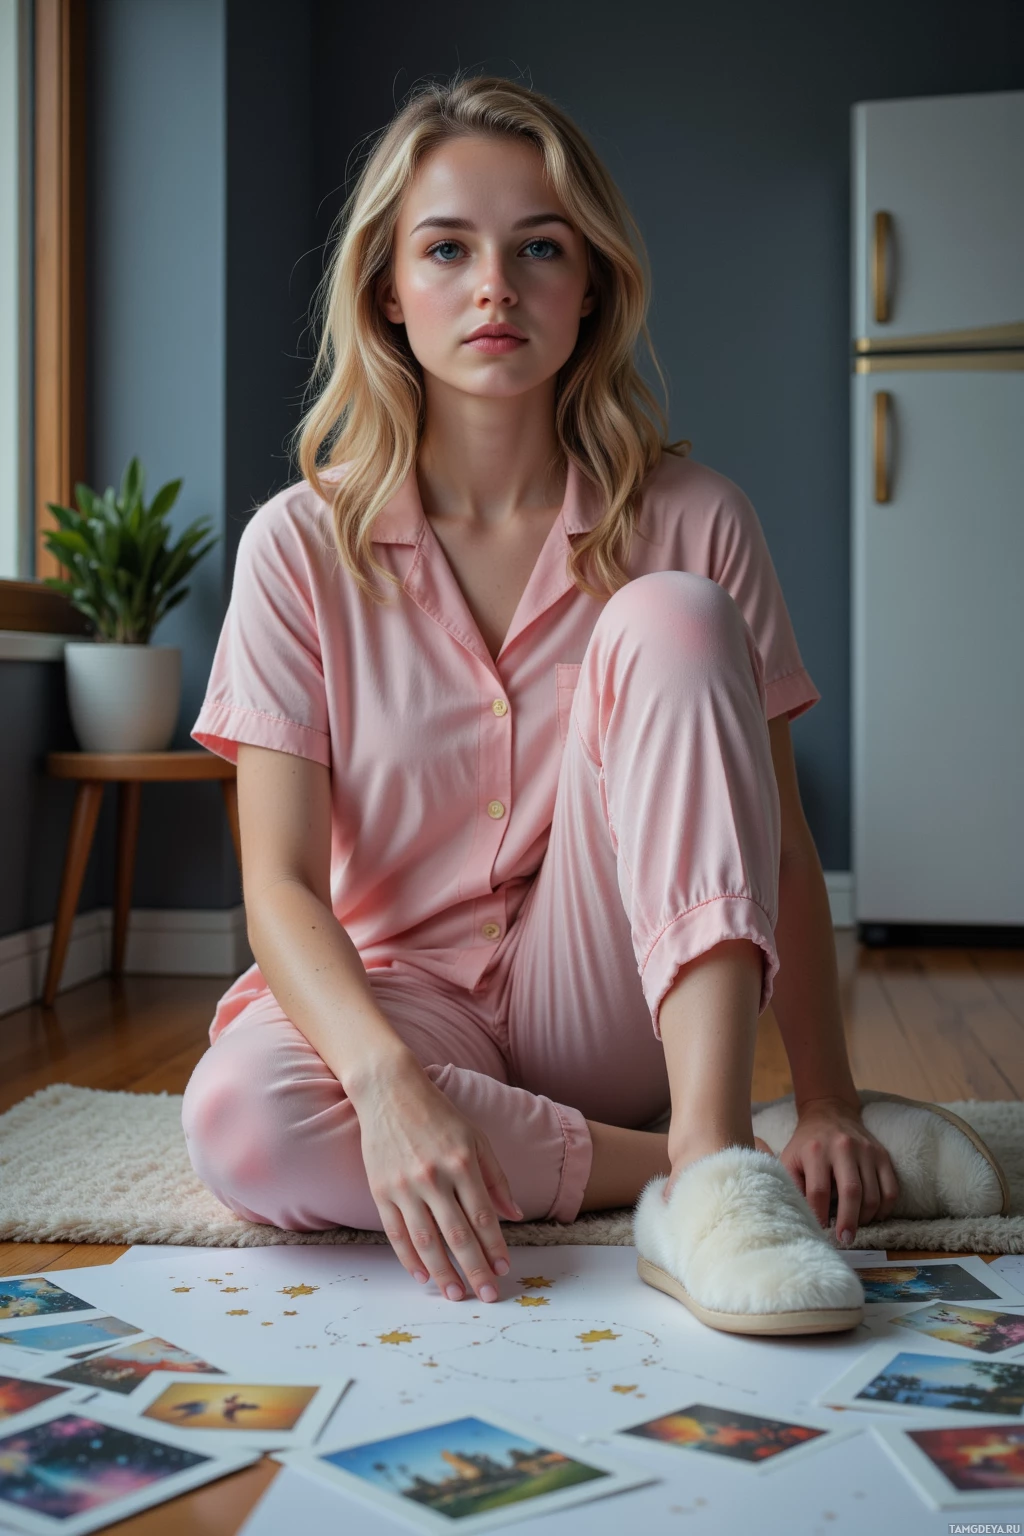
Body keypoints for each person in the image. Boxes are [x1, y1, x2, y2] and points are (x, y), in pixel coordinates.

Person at [183, 72, 900, 1327]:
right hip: (406, 990)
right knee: (246, 1118)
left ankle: (724, 1144)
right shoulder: (296, 547)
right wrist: (390, 1086)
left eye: (540, 249)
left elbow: (776, 841)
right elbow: (281, 886)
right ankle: (705, 1164)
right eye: (447, 248)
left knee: (670, 612)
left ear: (592, 286)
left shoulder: (699, 518)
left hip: (612, 991)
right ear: (387, 293)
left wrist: (834, 1096)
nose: (494, 287)